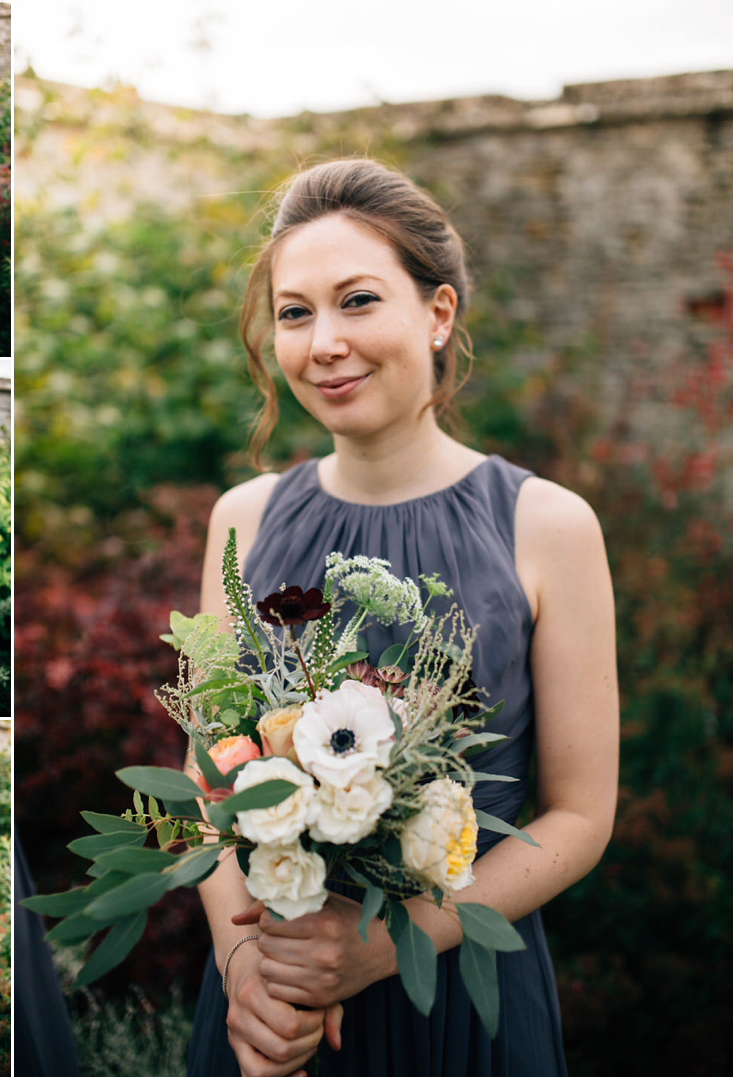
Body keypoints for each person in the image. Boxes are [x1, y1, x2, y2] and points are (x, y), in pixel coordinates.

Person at [186, 158, 619, 1077]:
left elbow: (580, 814)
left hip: (457, 998)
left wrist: (390, 943)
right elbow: (208, 773)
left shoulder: (547, 525)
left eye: (357, 300)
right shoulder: (244, 519)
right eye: (296, 313)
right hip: (271, 1016)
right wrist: (244, 970)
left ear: (438, 313)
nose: (324, 341)